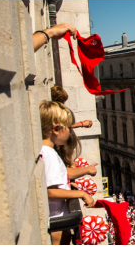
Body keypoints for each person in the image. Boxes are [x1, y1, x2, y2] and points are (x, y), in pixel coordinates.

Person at [39, 100, 95, 245]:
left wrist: (68, 186)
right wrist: (81, 194)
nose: (70, 132)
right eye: (68, 128)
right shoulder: (49, 154)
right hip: (57, 220)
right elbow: (50, 192)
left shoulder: (46, 150)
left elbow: (56, 178)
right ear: (56, 129)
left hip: (57, 217)